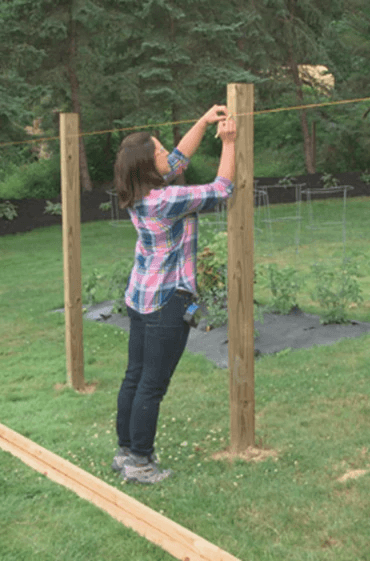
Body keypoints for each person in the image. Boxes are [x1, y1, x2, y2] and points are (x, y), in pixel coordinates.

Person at [111, 105, 237, 484]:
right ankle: (141, 463)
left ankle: (125, 452)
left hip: (140, 295)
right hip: (168, 300)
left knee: (135, 376)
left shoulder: (139, 192)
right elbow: (222, 190)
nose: (170, 154)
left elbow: (178, 159)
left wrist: (204, 121)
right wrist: (229, 142)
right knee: (153, 383)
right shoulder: (165, 200)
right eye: (161, 151)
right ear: (149, 166)